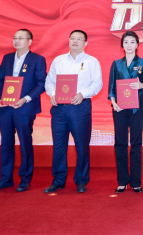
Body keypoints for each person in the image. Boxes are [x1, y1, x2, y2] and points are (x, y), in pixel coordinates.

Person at [0, 29, 47, 193]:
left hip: (24, 107)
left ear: (30, 41)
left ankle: (25, 179)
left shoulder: (37, 59)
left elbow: (41, 83)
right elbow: (0, 81)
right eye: (15, 38)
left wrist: (25, 99)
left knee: (25, 143)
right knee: (6, 143)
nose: (17, 41)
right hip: (6, 108)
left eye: (21, 38)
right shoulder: (7, 58)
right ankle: (5, 179)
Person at [43, 30, 102, 194]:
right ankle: (58, 180)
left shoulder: (92, 61)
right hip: (59, 108)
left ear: (86, 43)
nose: (75, 41)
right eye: (72, 38)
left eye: (79, 39)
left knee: (82, 146)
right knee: (58, 146)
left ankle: (81, 180)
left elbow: (97, 84)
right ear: (68, 40)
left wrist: (83, 94)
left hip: (80, 107)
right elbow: (49, 81)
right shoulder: (58, 60)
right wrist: (52, 94)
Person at [108, 31, 143, 193]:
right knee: (120, 144)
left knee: (136, 144)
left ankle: (135, 182)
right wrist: (113, 103)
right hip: (119, 108)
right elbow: (111, 86)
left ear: (137, 44)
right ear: (122, 45)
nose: (129, 45)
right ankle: (122, 181)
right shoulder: (116, 64)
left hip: (136, 108)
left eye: (132, 42)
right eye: (126, 42)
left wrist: (142, 85)